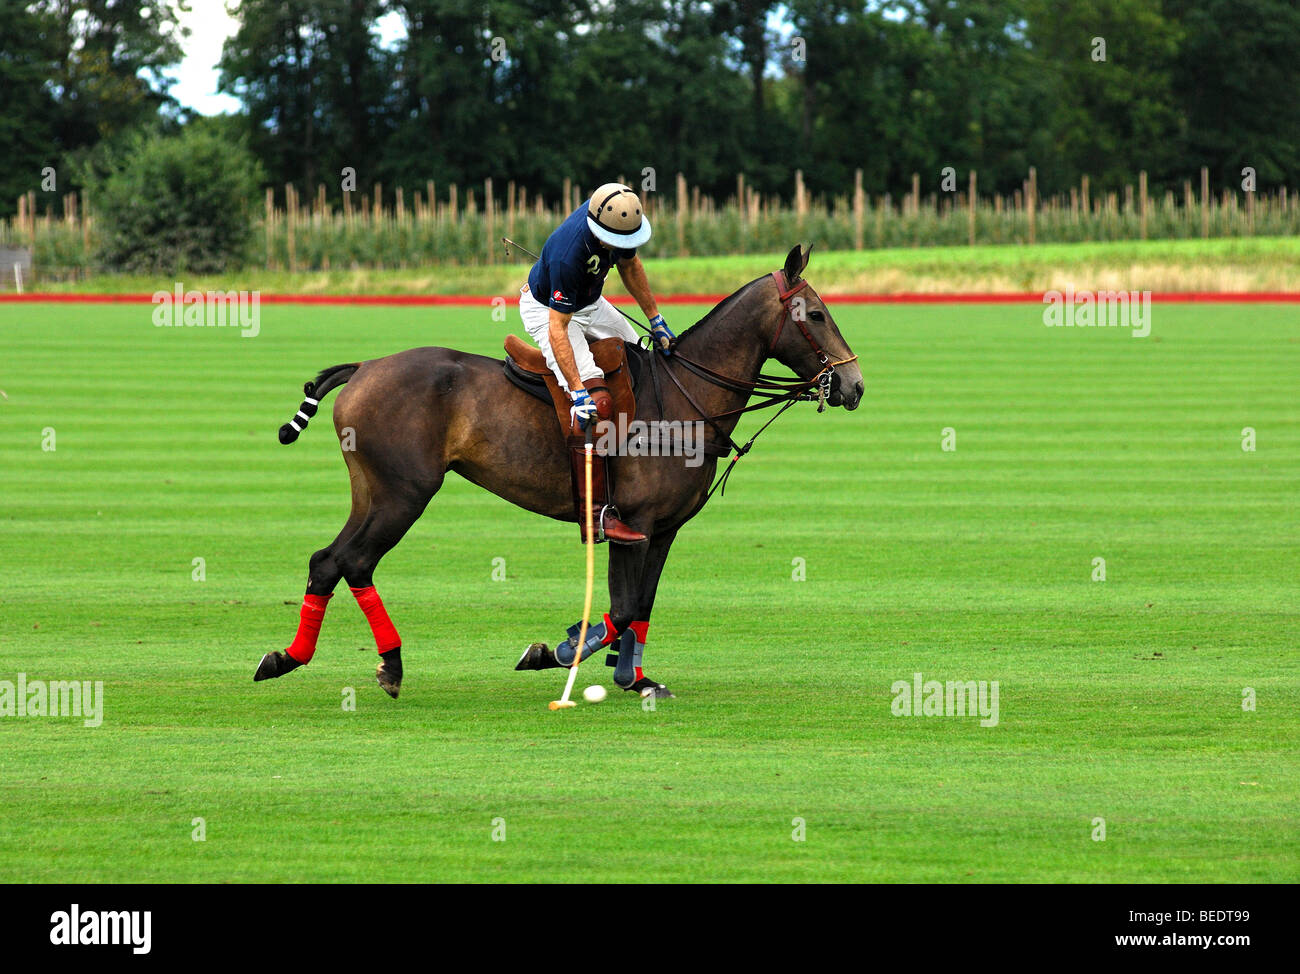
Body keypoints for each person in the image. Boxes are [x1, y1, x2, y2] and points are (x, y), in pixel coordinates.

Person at [518, 182, 675, 544]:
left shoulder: (618, 221)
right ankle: (595, 513)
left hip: (592, 303)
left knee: (646, 360)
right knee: (596, 405)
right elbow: (559, 328)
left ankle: (642, 458)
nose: (622, 248)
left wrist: (655, 318)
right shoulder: (566, 253)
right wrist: (578, 390)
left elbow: (630, 265)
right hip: (549, 312)